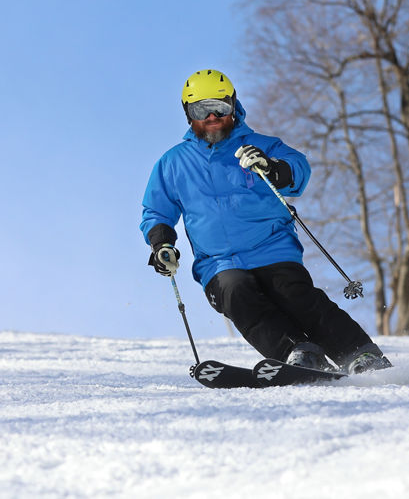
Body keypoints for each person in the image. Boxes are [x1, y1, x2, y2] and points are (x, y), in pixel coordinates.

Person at [140, 69, 391, 374]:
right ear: (188, 114)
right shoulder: (173, 163)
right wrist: (161, 243)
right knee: (236, 293)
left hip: (272, 249)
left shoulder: (261, 145)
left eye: (220, 107)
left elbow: (299, 171)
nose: (212, 116)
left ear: (234, 106)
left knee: (293, 294)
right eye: (200, 110)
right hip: (218, 264)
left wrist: (271, 167)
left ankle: (361, 354)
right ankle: (298, 354)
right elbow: (156, 211)